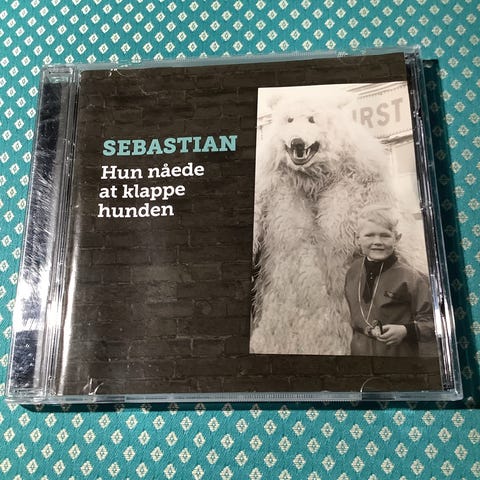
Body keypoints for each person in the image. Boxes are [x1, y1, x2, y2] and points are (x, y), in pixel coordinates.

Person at [344, 205, 436, 356]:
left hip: (398, 359)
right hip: (359, 357)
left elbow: (434, 323)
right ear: (357, 238)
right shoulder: (353, 270)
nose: (377, 241)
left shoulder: (412, 278)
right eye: (369, 235)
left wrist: (406, 330)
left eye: (385, 235)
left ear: (397, 238)